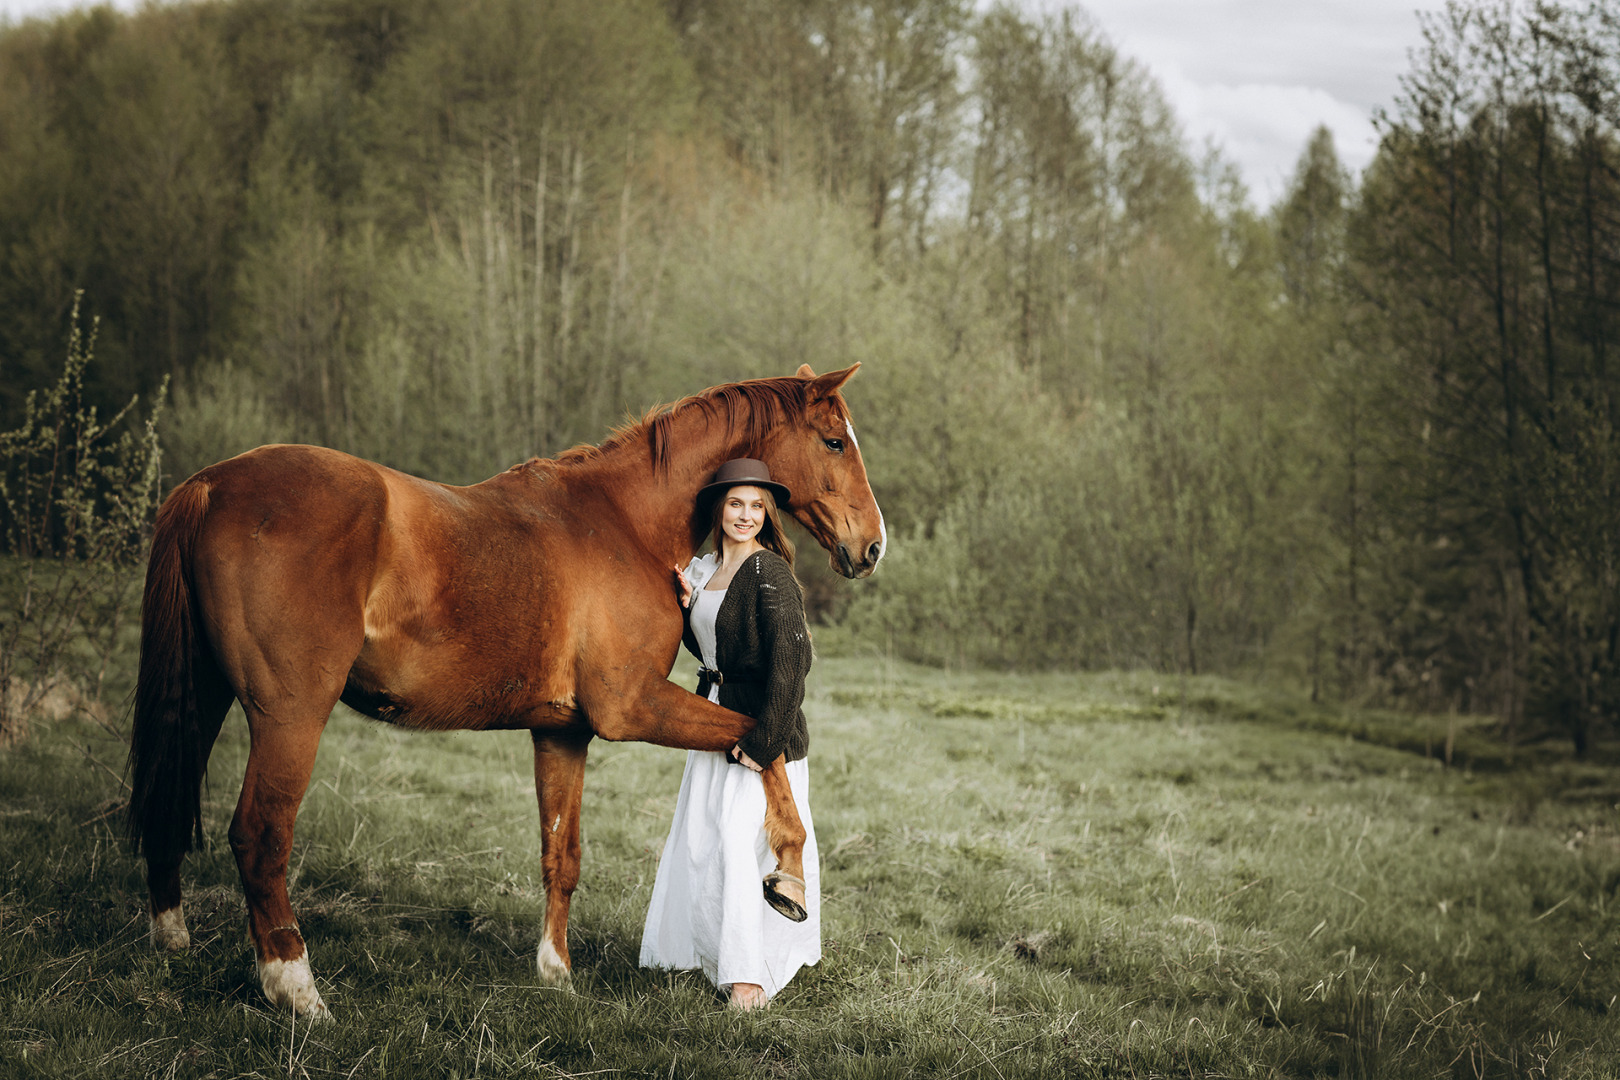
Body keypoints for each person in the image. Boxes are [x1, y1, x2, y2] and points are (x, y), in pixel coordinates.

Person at [639, 458, 820, 1011]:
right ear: (719, 507)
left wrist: (765, 744)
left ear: (767, 514)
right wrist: (693, 612)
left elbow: (792, 661)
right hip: (712, 719)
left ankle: (749, 978)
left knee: (744, 849)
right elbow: (718, 656)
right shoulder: (707, 569)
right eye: (736, 504)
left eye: (756, 506)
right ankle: (708, 950)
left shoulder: (769, 573)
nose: (746, 515)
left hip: (760, 734)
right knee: (707, 843)